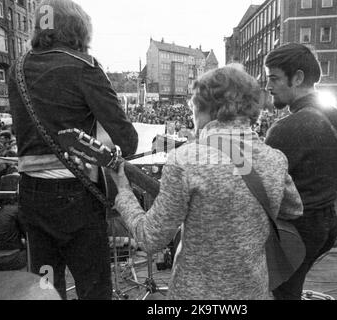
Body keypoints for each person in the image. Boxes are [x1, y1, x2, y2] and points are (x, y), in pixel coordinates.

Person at [109, 64, 303, 300]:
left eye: (193, 106)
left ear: (205, 109)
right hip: (254, 291)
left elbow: (150, 237)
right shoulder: (275, 159)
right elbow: (293, 210)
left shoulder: (186, 159)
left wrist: (123, 191)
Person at [8, 0, 138, 300]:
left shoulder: (17, 69)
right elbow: (127, 141)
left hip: (31, 196)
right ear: (79, 29)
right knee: (94, 289)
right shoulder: (83, 67)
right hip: (76, 197)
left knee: (46, 288)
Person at [264, 43, 337, 300]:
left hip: (294, 232)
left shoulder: (285, 128)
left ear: (297, 77)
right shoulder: (333, 114)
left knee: (282, 294)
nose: (268, 86)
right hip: (327, 224)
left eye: (274, 78)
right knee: (290, 288)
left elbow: (262, 185)